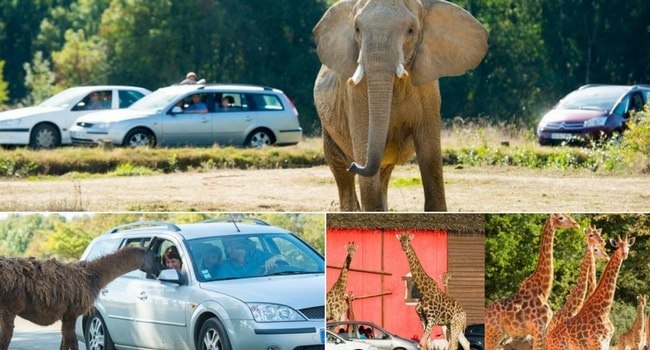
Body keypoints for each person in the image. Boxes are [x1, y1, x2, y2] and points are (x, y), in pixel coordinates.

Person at [216, 238, 286, 279]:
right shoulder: (225, 268)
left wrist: (275, 258)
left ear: (243, 247)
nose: (227, 251)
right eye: (227, 246)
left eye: (231, 246)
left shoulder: (256, 255)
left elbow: (281, 258)